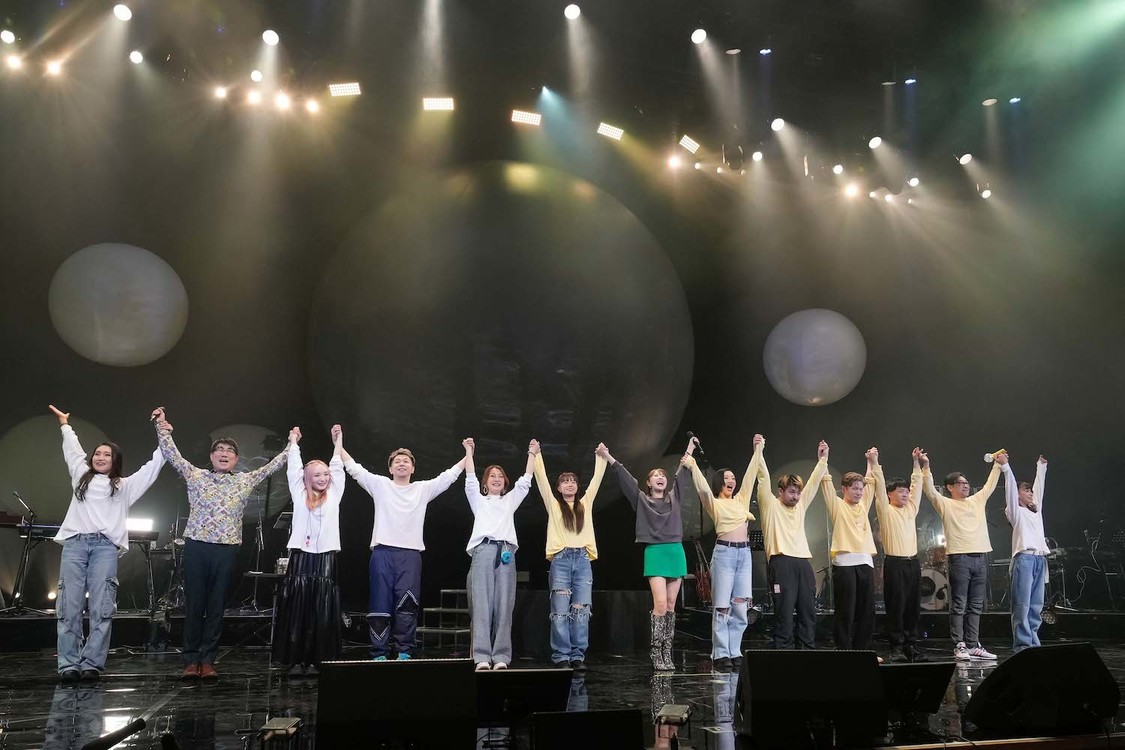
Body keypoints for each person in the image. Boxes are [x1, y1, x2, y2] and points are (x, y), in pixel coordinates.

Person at [151, 407, 294, 680]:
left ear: (236, 459)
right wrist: (161, 426)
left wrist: (292, 444)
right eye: (219, 449)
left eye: (229, 450)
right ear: (212, 456)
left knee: (216, 606)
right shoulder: (196, 476)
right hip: (197, 546)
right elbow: (172, 454)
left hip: (226, 548)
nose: (224, 453)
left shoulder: (244, 480)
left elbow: (274, 465)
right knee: (195, 605)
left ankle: (208, 661)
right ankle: (190, 661)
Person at [49, 404, 165, 683]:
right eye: (97, 453)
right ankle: (68, 664)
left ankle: (92, 663)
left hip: (104, 548)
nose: (100, 457)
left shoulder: (124, 487)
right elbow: (72, 449)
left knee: (102, 608)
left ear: (115, 461)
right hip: (76, 545)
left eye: (107, 454)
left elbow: (155, 465)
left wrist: (161, 429)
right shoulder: (80, 476)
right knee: (69, 607)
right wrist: (65, 424)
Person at [340, 432, 467, 661]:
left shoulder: (422, 489)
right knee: (379, 604)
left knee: (407, 603)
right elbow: (353, 468)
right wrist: (338, 442)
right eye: (397, 461)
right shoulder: (380, 485)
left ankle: (404, 651)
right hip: (382, 553)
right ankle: (379, 652)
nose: (401, 463)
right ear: (390, 469)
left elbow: (448, 477)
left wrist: (468, 455)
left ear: (412, 469)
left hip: (410, 555)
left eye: (406, 461)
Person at [599, 441, 690, 672]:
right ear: (649, 483)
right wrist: (609, 456)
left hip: (675, 552)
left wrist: (688, 448)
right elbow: (626, 479)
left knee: (671, 605)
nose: (660, 477)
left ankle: (667, 651)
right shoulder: (641, 500)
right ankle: (656, 650)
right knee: (659, 604)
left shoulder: (674, 498)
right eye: (655, 475)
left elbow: (683, 472)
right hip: (656, 553)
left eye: (663, 475)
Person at [682, 438, 762, 673]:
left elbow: (750, 476)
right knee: (722, 607)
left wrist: (758, 449)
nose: (731, 481)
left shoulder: (741, 500)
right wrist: (693, 464)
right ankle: (720, 653)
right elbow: (702, 488)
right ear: (719, 482)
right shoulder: (714, 503)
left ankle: (734, 651)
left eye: (732, 479)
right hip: (725, 554)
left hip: (744, 555)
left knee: (740, 607)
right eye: (726, 479)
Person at [273, 424, 346, 678]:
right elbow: (294, 466)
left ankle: (319, 659)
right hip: (301, 558)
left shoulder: (335, 493)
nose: (323, 478)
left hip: (325, 557)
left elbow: (338, 464)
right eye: (317, 475)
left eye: (325, 474)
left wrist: (337, 441)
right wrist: (293, 441)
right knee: (298, 609)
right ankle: (295, 660)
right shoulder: (299, 491)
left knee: (320, 609)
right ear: (307, 478)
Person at [920, 449, 1005, 661]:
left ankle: (974, 644)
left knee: (977, 604)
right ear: (950, 487)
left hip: (980, 557)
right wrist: (926, 467)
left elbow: (990, 485)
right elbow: (930, 490)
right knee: (959, 603)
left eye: (966, 483)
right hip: (960, 558)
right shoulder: (946, 503)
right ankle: (959, 644)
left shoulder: (977, 501)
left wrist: (997, 465)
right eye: (960, 483)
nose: (965, 485)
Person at [532, 440, 607, 670]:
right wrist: (536, 455)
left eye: (573, 481)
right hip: (562, 560)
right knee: (561, 611)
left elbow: (596, 481)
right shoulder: (554, 506)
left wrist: (601, 457)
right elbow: (542, 480)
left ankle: (577, 656)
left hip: (583, 560)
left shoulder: (585, 503)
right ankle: (562, 655)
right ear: (559, 488)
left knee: (581, 609)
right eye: (565, 481)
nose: (570, 484)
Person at [463, 438, 535, 671]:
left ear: (504, 482)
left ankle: (502, 656)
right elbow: (470, 479)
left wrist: (532, 454)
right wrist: (469, 452)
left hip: (505, 553)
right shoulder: (479, 500)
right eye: (491, 475)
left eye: (499, 476)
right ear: (486, 483)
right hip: (483, 551)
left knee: (504, 606)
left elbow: (525, 482)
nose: (495, 478)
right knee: (482, 606)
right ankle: (482, 657)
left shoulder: (509, 501)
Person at [756, 436, 830, 650]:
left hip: (802, 564)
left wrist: (822, 461)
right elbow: (762, 477)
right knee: (785, 609)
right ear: (781, 491)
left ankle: (807, 646)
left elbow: (814, 484)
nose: (796, 496)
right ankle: (784, 649)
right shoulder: (770, 505)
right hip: (781, 563)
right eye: (791, 491)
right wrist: (759, 450)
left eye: (798, 492)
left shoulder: (800, 506)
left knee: (807, 608)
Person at [820, 448, 878, 651]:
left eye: (860, 489)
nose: (859, 492)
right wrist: (824, 459)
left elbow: (871, 481)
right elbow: (825, 484)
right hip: (845, 562)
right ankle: (843, 648)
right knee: (846, 609)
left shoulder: (863, 505)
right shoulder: (837, 505)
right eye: (854, 488)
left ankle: (863, 649)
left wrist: (871, 462)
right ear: (844, 489)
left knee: (867, 610)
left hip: (865, 561)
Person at [872, 448, 926, 662]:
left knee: (913, 606)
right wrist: (876, 462)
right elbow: (877, 486)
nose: (905, 494)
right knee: (896, 606)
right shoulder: (885, 510)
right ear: (890, 494)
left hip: (913, 564)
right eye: (900, 491)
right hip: (895, 564)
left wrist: (916, 463)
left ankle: (911, 645)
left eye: (906, 491)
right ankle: (896, 647)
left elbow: (918, 486)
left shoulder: (910, 509)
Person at [1003, 454, 1049, 652]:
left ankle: (1033, 643)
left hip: (1040, 559)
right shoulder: (1015, 511)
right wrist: (1006, 467)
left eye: (1030, 490)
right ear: (1017, 495)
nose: (1030, 493)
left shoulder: (1036, 511)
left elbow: (1040, 488)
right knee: (1022, 605)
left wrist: (1041, 466)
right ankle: (1022, 646)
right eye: (1026, 490)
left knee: (1036, 605)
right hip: (1024, 559)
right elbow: (1010, 488)